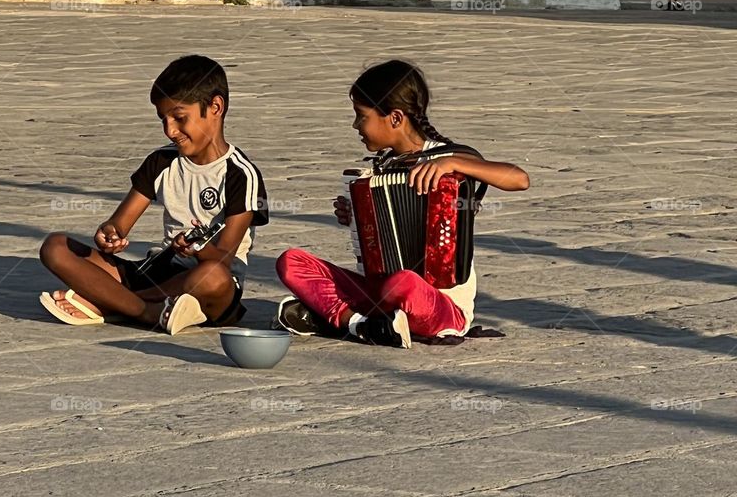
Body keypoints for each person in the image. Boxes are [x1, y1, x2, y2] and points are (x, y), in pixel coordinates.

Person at [275, 60, 529, 349]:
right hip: (380, 292)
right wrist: (357, 216)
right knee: (291, 262)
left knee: (403, 282)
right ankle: (362, 325)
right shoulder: (380, 168)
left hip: (440, 306)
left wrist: (454, 163)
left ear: (395, 118)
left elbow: (519, 179)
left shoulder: (449, 158)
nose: (356, 125)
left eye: (361, 116)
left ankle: (338, 318)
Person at [39, 54, 268, 334]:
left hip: (207, 285)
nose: (170, 130)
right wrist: (110, 235)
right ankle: (147, 310)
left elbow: (224, 258)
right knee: (55, 247)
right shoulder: (161, 161)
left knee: (212, 276)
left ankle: (111, 303)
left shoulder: (241, 175)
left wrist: (197, 249)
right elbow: (119, 223)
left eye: (180, 118)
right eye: (163, 119)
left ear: (215, 107)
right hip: (157, 274)